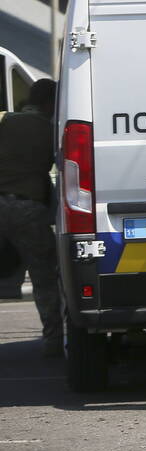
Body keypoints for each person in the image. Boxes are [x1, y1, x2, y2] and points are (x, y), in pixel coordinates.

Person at [0, 79, 62, 357]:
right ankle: (53, 339)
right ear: (51, 103)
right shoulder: (51, 131)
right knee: (43, 276)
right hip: (28, 210)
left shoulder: (6, 121)